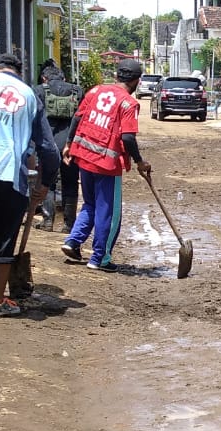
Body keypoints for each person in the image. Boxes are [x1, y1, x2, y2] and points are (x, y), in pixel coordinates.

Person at [0, 54, 59, 316]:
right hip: (9, 172)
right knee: (4, 235)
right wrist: (45, 184)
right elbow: (49, 149)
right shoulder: (31, 95)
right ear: (19, 73)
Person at [60, 59, 152, 273]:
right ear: (136, 81)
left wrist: (69, 144)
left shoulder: (95, 91)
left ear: (117, 76)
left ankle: (73, 241)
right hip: (106, 164)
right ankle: (100, 258)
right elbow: (127, 137)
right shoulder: (128, 103)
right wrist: (139, 161)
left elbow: (77, 118)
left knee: (90, 204)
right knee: (108, 212)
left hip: (84, 156)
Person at [32, 64, 82, 233]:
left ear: (44, 78)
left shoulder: (38, 91)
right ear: (64, 78)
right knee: (71, 182)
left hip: (48, 145)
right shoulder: (77, 91)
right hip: (70, 146)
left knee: (48, 181)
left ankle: (47, 222)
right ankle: (69, 225)